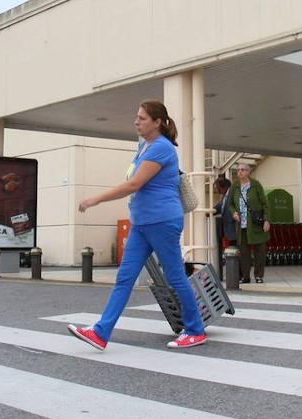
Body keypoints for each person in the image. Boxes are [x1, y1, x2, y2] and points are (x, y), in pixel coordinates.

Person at [68, 100, 207, 350]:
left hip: (163, 221)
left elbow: (133, 184)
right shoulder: (144, 145)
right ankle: (101, 332)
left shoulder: (162, 148)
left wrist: (95, 199)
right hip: (142, 222)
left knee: (175, 276)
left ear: (158, 122)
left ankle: (195, 329)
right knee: (124, 278)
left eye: (142, 118)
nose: (136, 121)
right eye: (137, 117)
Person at [225, 161, 269, 283]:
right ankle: (245, 276)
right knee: (243, 252)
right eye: (238, 170)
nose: (240, 172)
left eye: (243, 170)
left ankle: (259, 276)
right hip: (241, 225)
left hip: (256, 223)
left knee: (259, 251)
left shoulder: (256, 185)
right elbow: (230, 204)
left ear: (249, 172)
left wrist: (266, 220)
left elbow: (265, 204)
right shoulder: (235, 186)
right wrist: (234, 212)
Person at [212, 175, 234, 271]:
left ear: (223, 187)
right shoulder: (225, 196)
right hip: (228, 230)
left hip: (233, 229)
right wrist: (210, 211)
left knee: (235, 252)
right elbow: (220, 207)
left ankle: (239, 274)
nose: (217, 190)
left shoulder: (232, 195)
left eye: (217, 187)